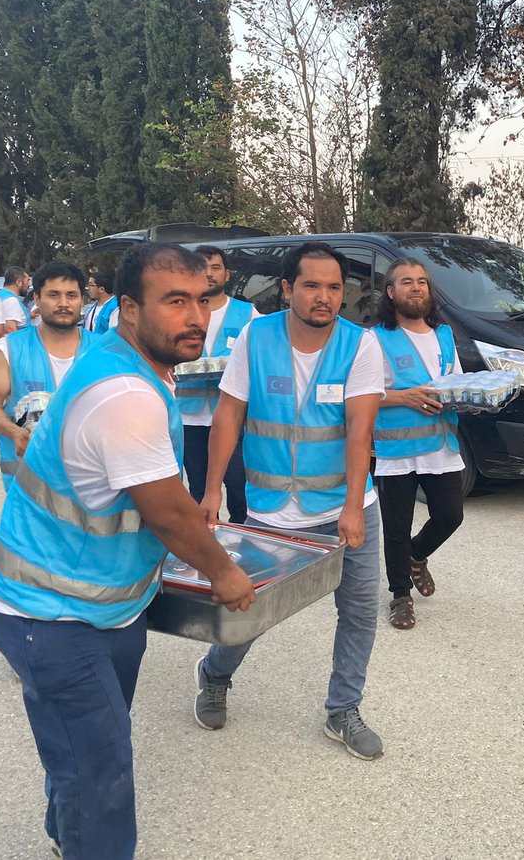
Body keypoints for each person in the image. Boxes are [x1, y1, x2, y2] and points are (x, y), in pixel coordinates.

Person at [0, 243, 256, 859]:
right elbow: (168, 513)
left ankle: (66, 836)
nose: (196, 317)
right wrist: (224, 572)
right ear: (129, 308)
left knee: (80, 752)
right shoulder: (125, 394)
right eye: (175, 301)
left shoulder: (123, 357)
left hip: (101, 606)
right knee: (101, 771)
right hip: (50, 612)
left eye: (203, 300)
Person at [193, 242, 385, 761]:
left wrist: (353, 505)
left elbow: (359, 430)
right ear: (287, 289)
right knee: (249, 611)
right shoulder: (256, 337)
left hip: (345, 505)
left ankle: (343, 709)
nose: (325, 297)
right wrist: (211, 490)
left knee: (359, 611)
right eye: (312, 285)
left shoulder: (361, 345)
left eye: (334, 287)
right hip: (271, 508)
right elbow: (228, 415)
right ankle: (215, 675)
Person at [371, 259, 466, 630]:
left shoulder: (443, 334)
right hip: (397, 450)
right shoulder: (375, 338)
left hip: (441, 444)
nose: (416, 287)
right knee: (396, 527)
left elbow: (456, 381)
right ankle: (400, 596)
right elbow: (361, 393)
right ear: (391, 292)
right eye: (407, 282)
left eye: (422, 281)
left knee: (450, 515)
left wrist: (473, 398)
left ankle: (415, 555)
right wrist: (404, 397)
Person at [0, 262, 99, 491]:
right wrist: (14, 432)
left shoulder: (103, 351)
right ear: (37, 298)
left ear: (81, 300)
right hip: (29, 491)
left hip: (92, 488)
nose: (63, 303)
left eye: (71, 295)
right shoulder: (10, 349)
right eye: (53, 295)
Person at [177, 246, 260, 523]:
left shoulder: (248, 314)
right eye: (203, 268)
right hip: (189, 417)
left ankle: (242, 537)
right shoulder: (180, 311)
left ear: (227, 273)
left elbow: (260, 357)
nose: (209, 274)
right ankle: (203, 541)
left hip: (232, 418)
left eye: (215, 267)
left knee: (238, 486)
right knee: (198, 489)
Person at [0, 265, 31, 338]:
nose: (29, 285)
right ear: (19, 282)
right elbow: (10, 329)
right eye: (27, 280)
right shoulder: (11, 301)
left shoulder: (0, 296)